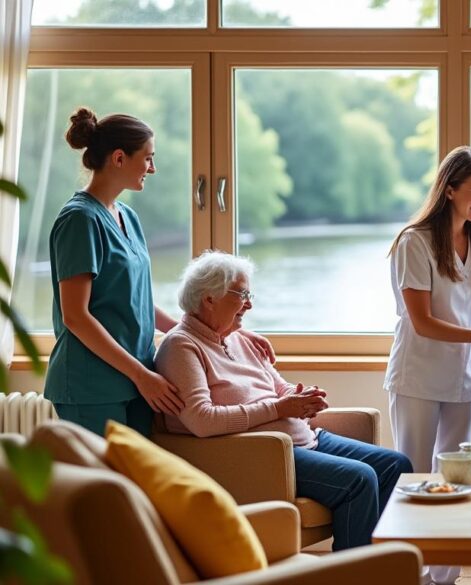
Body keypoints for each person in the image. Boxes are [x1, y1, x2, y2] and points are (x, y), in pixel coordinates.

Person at [155, 251, 413, 551]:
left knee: (396, 465)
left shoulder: (238, 338)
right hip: (261, 455)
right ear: (209, 298)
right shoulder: (181, 347)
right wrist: (280, 408)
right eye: (241, 294)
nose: (249, 303)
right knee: (359, 479)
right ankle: (355, 573)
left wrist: (299, 397)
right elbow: (202, 420)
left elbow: (277, 386)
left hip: (303, 439)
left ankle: (381, 563)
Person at [44, 108, 273, 437]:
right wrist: (140, 375)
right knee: (103, 487)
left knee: (138, 484)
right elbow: (76, 317)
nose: (153, 168)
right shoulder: (80, 221)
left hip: (138, 381)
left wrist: (223, 335)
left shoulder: (127, 217)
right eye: (148, 158)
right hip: (91, 386)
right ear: (119, 158)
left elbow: (136, 303)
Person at [384, 146, 471, 585]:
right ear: (450, 189)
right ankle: (409, 572)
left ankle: (445, 576)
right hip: (418, 374)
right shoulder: (414, 241)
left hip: (464, 378)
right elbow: (421, 321)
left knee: (457, 480)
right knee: (414, 477)